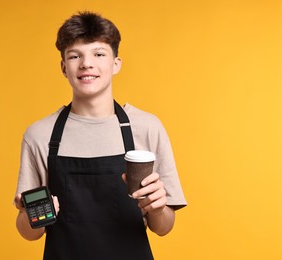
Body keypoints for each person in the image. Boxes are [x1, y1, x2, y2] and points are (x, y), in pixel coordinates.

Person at [14, 11, 187, 260]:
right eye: (75, 56)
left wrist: (158, 208)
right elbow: (28, 233)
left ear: (115, 64)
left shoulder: (148, 128)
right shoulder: (39, 135)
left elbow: (163, 227)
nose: (86, 63)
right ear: (64, 67)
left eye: (98, 54)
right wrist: (34, 215)